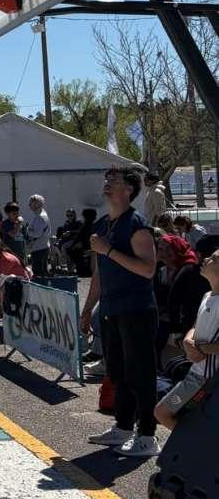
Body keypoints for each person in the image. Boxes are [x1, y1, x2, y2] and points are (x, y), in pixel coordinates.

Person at [81, 167, 161, 458]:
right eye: (107, 180)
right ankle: (123, 427)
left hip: (136, 309)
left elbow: (148, 269)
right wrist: (87, 309)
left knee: (142, 374)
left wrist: (109, 251)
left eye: (114, 181)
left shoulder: (137, 224)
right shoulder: (103, 225)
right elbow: (99, 274)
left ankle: (148, 435)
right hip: (111, 310)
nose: (107, 184)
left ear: (129, 190)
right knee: (117, 372)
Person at [155, 246, 219, 432]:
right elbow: (196, 326)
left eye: (214, 259)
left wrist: (200, 349)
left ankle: (195, 447)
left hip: (207, 380)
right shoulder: (207, 295)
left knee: (162, 412)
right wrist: (187, 340)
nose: (205, 259)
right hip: (196, 373)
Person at [155, 234, 208, 369]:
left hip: (181, 320)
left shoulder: (188, 269)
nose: (165, 253)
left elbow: (182, 300)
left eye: (169, 249)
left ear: (178, 249)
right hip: (162, 314)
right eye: (161, 249)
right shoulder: (159, 268)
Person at [26, 195, 52, 277]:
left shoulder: (40, 217)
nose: (29, 205)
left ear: (37, 204)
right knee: (42, 272)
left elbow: (37, 234)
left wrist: (28, 230)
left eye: (31, 203)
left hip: (39, 248)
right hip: (42, 246)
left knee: (38, 273)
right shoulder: (41, 215)